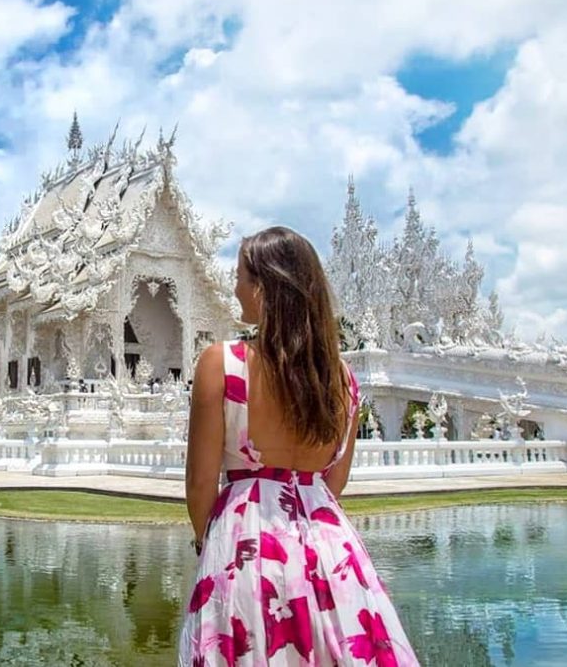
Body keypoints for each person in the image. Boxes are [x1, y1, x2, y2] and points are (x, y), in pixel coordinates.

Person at [179, 226, 418, 666]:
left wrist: (207, 540)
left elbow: (199, 483)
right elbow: (335, 482)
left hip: (247, 543)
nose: (234, 289)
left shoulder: (223, 364)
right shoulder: (342, 380)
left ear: (267, 288)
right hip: (331, 548)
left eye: (242, 278)